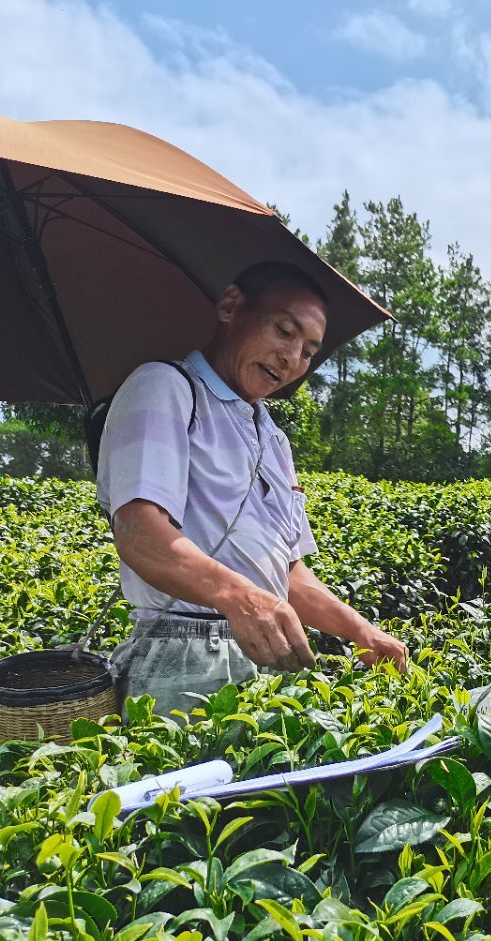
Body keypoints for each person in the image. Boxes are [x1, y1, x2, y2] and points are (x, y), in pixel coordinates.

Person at [96, 260, 407, 717]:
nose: (292, 358)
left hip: (267, 651)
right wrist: (240, 599)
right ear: (231, 306)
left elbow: (289, 575)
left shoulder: (274, 438)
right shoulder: (166, 387)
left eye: (308, 351)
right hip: (185, 654)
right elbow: (140, 533)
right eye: (284, 330)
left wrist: (362, 631)